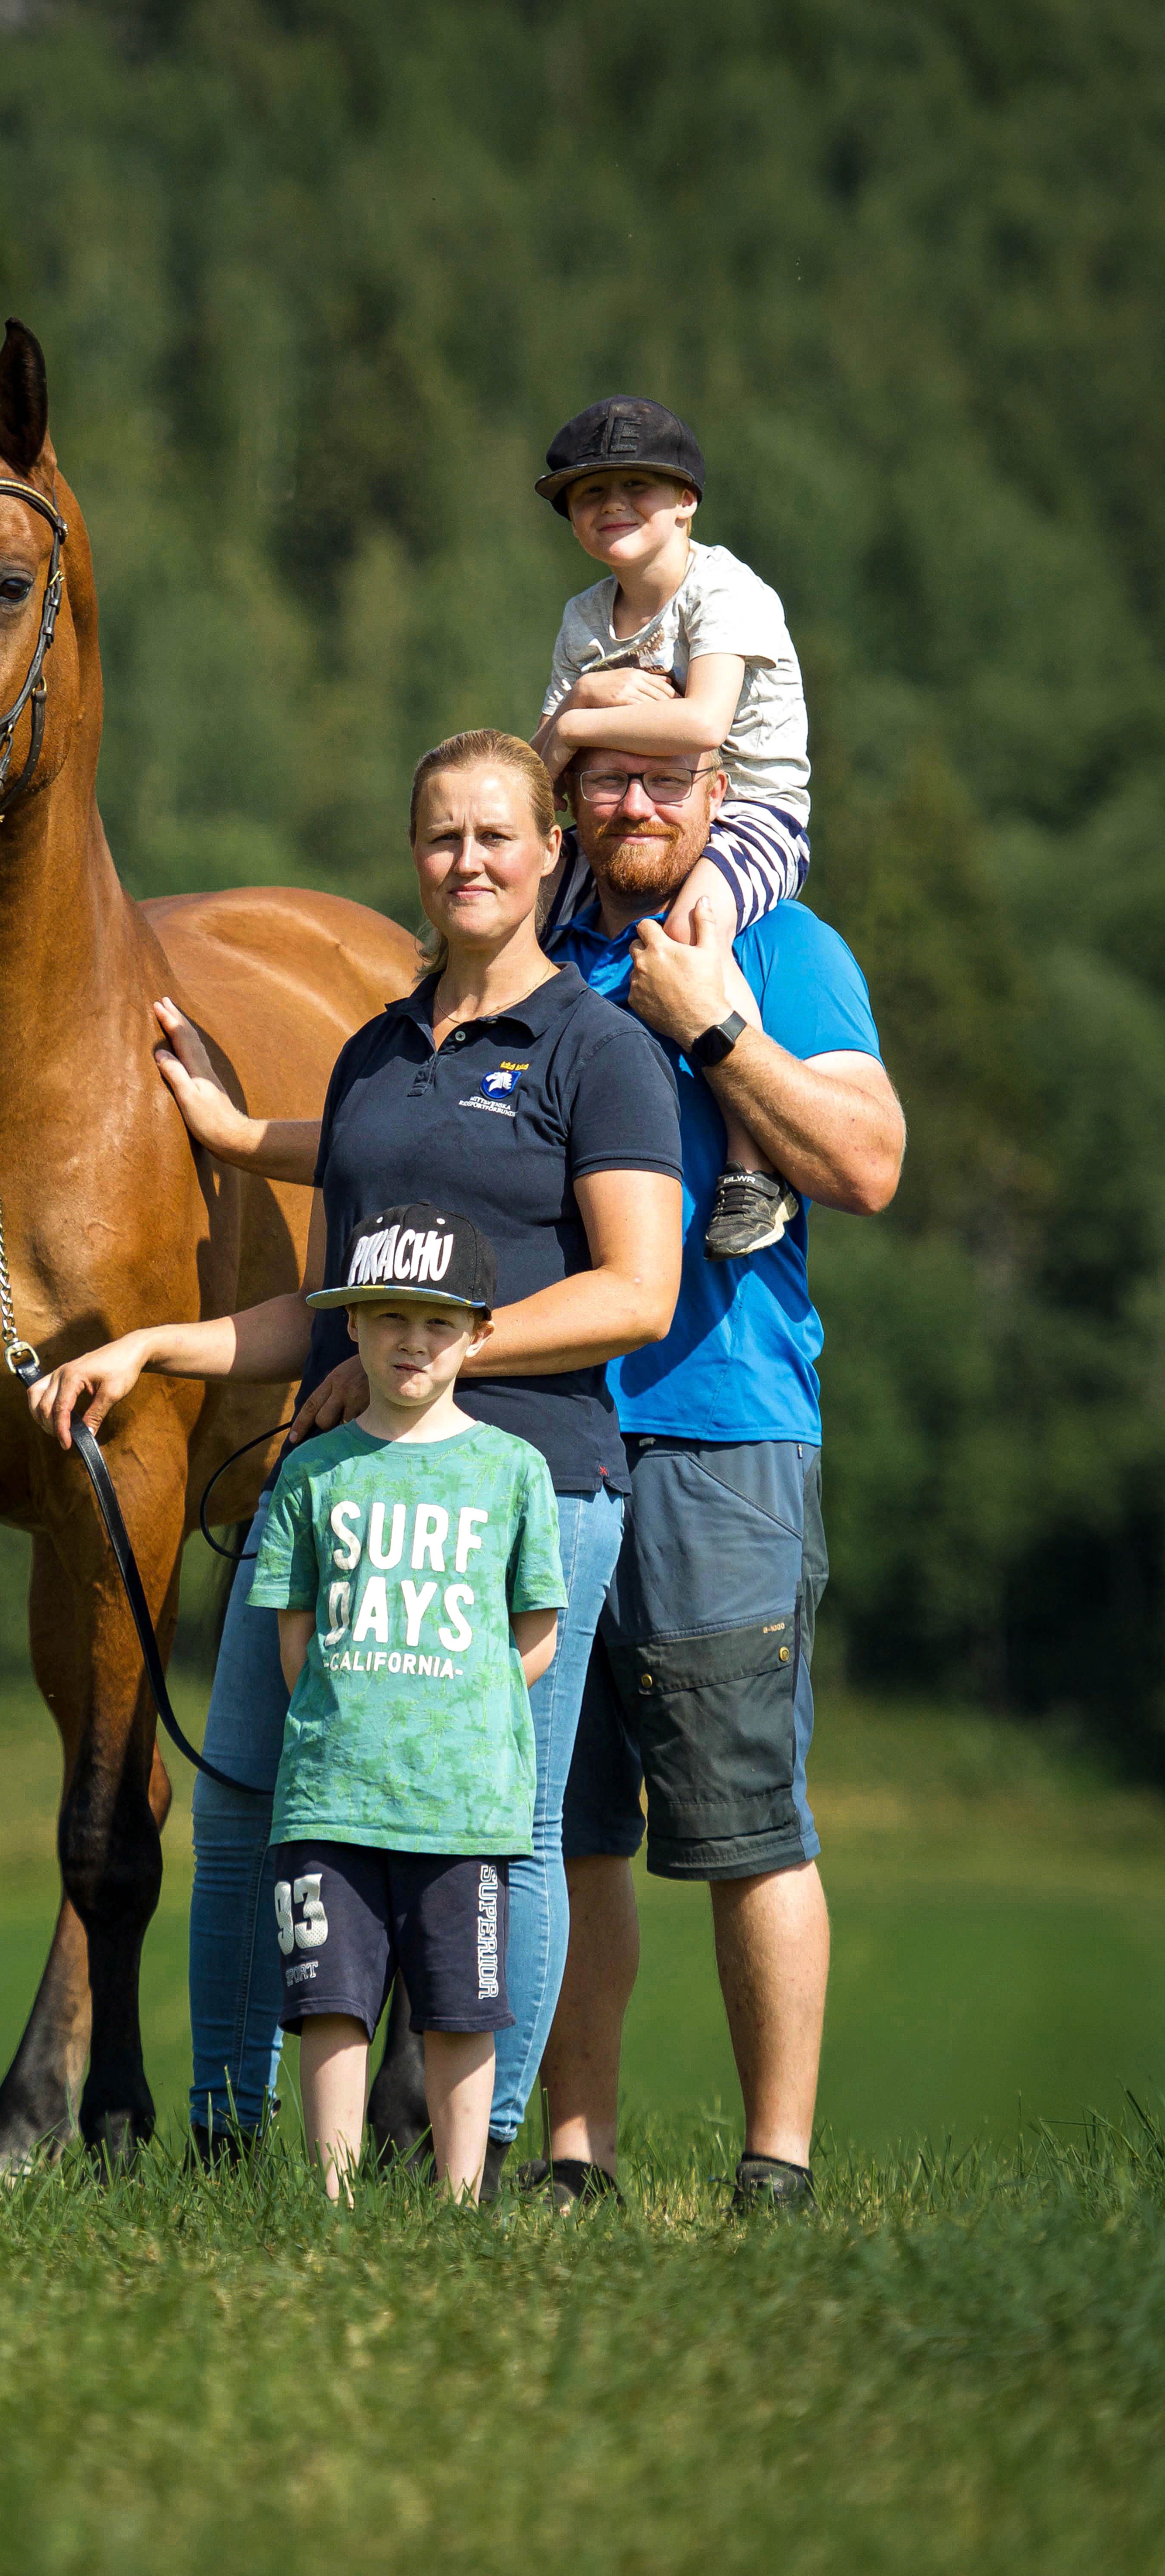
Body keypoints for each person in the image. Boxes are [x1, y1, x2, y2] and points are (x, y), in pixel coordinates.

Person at [34, 729, 683, 2186]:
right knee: (252, 1797)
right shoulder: (378, 1054)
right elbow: (329, 1315)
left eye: (498, 837)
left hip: (524, 1490)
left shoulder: (601, 1052)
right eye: (444, 837)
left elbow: (634, 1293)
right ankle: (223, 2137)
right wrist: (156, 1347)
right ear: (417, 855)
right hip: (344, 1494)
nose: (469, 861)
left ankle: (481, 2153)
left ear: (548, 855)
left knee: (500, 1826)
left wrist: (443, 1349)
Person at [531, 740, 905, 2215]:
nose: (634, 807)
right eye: (606, 780)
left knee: (746, 1814)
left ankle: (777, 2170)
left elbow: (868, 1164)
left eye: (667, 783)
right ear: (569, 796)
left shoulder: (782, 946)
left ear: (718, 801)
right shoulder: (532, 950)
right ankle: (576, 2161)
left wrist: (717, 1032)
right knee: (562, 1824)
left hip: (723, 1426)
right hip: (543, 1430)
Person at [250, 1203, 565, 2201]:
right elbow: (295, 1641)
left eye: (436, 1321)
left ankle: (460, 2197)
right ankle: (330, 2200)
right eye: (388, 1317)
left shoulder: (513, 1472)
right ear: (352, 1327)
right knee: (329, 2002)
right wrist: (365, 1703)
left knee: (460, 2009)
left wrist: (456, 1700)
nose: (411, 1341)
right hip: (330, 1798)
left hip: (461, 1802)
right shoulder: (311, 1473)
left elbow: (537, 1635)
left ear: (477, 1331)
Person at [529, 395, 813, 1260]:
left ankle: (753, 1165)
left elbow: (701, 725)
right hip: (621, 807)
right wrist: (580, 704)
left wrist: (579, 721)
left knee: (695, 926)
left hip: (746, 805)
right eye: (589, 493)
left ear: (686, 500)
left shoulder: (726, 592)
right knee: (523, 908)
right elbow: (534, 781)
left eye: (636, 486)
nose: (611, 505)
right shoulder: (586, 618)